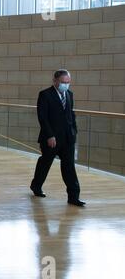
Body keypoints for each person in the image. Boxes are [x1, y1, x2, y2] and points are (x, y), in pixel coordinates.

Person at [30, 69, 86, 207]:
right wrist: (50, 135)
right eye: (63, 82)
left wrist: (74, 131)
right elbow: (42, 117)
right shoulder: (45, 95)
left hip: (68, 138)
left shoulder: (69, 94)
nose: (65, 85)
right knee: (46, 162)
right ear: (55, 81)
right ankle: (36, 185)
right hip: (51, 138)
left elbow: (70, 115)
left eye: (68, 82)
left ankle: (74, 196)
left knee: (69, 166)